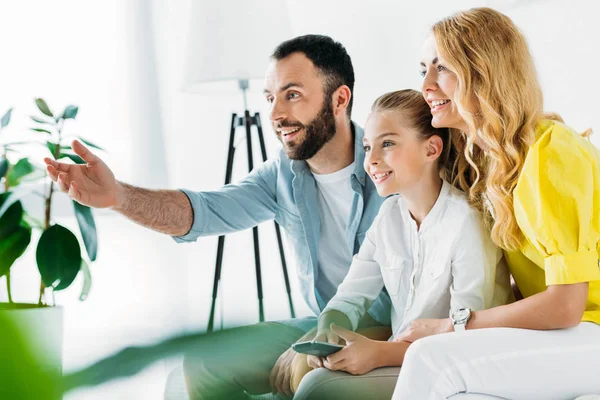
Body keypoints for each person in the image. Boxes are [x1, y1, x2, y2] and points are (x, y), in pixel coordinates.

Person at [43, 34, 392, 399]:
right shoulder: (283, 175)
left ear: (339, 99)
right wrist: (118, 196)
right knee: (204, 360)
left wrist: (315, 341)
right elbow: (204, 211)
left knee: (305, 369)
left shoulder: (392, 163)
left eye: (292, 95)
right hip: (324, 323)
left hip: (389, 329)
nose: (275, 115)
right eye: (271, 98)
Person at [391, 7, 600, 399]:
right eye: (423, 69)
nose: (427, 86)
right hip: (576, 331)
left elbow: (567, 304)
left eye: (443, 68)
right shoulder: (492, 163)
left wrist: (452, 325)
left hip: (591, 327)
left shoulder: (551, 153)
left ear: (484, 72)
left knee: (431, 359)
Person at [292, 89, 511, 399]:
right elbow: (351, 296)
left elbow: (465, 333)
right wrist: (329, 329)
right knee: (305, 370)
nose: (372, 160)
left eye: (388, 144)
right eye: (367, 147)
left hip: (456, 367)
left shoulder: (466, 223)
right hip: (406, 358)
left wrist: (380, 353)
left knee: (318, 389)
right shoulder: (388, 217)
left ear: (431, 149)